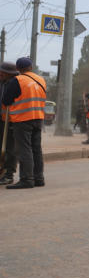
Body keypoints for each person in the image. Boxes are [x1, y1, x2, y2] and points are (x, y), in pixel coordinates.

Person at [2, 57, 47, 189]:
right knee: (36, 149)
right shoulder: (41, 79)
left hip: (22, 119)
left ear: (18, 69)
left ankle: (27, 179)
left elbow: (6, 100)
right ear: (31, 67)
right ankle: (39, 178)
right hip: (38, 118)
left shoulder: (18, 80)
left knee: (24, 149)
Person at [0, 61, 20, 184]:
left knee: (10, 148)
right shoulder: (2, 82)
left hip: (12, 119)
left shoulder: (16, 83)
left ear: (9, 74)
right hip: (2, 118)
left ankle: (9, 174)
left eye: (2, 72)